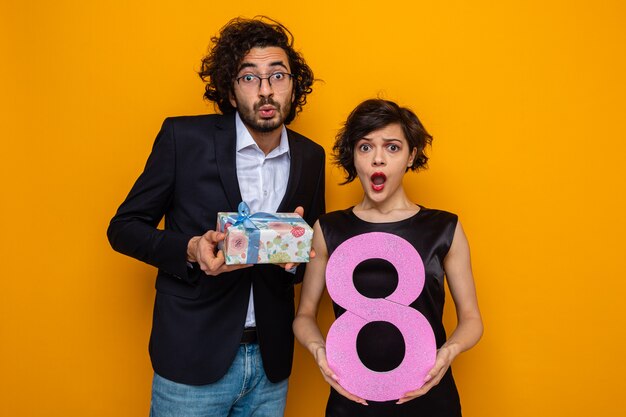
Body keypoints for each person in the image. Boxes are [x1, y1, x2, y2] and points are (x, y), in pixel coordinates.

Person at [107, 16, 325, 417]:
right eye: (249, 77)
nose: (265, 89)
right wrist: (190, 248)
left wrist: (296, 260)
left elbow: (310, 254)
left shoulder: (311, 157)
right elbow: (122, 229)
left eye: (278, 75)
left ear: (294, 86)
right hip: (192, 356)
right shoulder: (182, 139)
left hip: (271, 362)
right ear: (229, 87)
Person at [293, 99, 482, 416]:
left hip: (428, 395)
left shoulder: (444, 228)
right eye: (365, 148)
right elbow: (305, 315)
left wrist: (448, 353)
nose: (377, 159)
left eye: (392, 148)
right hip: (352, 397)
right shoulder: (328, 229)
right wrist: (319, 351)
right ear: (353, 157)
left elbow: (472, 320)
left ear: (411, 156)